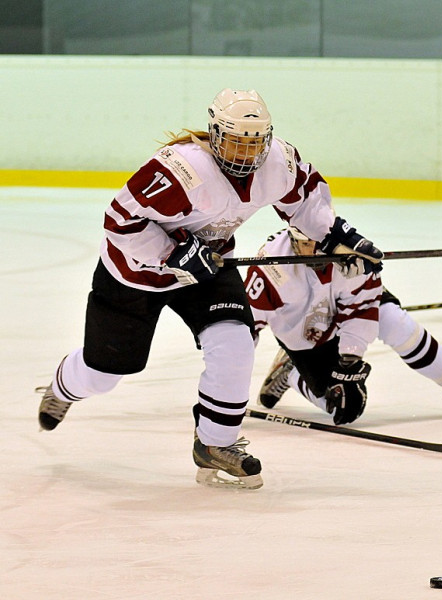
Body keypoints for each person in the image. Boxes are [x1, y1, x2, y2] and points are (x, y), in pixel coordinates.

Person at [36, 88, 383, 490]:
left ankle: (216, 443)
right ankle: (64, 386)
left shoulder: (278, 162)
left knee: (235, 341)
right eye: (236, 141)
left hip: (208, 265)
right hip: (134, 274)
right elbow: (120, 222)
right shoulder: (181, 169)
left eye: (254, 143)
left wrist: (339, 241)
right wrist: (172, 253)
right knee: (106, 371)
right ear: (216, 133)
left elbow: (306, 204)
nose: (245, 154)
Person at [245, 228, 442, 425]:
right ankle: (291, 373)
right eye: (307, 244)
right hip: (304, 332)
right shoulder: (270, 271)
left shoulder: (349, 252)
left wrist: (350, 360)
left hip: (350, 306)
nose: (316, 250)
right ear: (293, 241)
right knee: (342, 408)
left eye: (321, 241)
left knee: (395, 322)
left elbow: (361, 308)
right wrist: (222, 391)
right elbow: (245, 329)